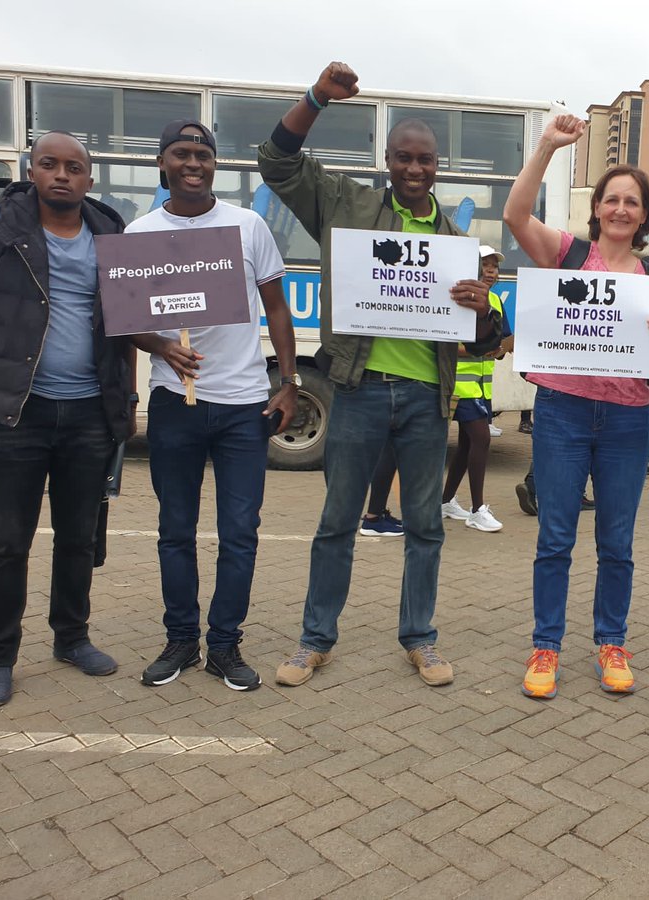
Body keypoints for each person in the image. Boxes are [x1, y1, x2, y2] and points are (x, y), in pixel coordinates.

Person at [259, 62, 502, 688]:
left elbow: (483, 345)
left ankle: (420, 639)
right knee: (338, 521)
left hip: (426, 399)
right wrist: (316, 98)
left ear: (437, 165)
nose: (414, 169)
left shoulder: (456, 241)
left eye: (425, 160)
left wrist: (480, 310)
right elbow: (278, 163)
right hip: (359, 390)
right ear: (388, 160)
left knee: (424, 526)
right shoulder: (348, 204)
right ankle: (315, 640)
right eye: (404, 158)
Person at [0, 125, 134, 708]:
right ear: (31, 170)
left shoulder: (112, 232)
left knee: (79, 538)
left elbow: (131, 316)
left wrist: (152, 365)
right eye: (49, 164)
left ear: (89, 178)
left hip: (90, 412)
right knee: (8, 543)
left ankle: (72, 637)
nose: (62, 174)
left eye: (74, 167)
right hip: (15, 413)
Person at [504, 114, 649, 700]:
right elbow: (515, 216)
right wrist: (548, 145)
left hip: (628, 418)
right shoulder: (567, 253)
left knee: (617, 541)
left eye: (633, 202)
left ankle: (611, 643)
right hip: (564, 412)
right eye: (612, 200)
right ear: (597, 208)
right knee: (555, 536)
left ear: (645, 216)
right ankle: (546, 646)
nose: (622, 209)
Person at [130, 120, 297, 692]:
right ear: (163, 163)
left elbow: (276, 308)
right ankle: (181, 639)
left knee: (240, 532)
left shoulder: (247, 227)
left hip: (243, 405)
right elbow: (125, 321)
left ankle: (225, 644)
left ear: (215, 164)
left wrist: (290, 381)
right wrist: (161, 345)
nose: (193, 162)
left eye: (203, 154)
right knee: (175, 528)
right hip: (175, 401)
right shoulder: (141, 232)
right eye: (182, 153)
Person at [441, 245, 507, 533]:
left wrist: (499, 349)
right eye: (485, 265)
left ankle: (445, 502)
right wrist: (477, 351)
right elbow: (445, 343)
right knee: (480, 439)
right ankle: (478, 509)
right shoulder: (458, 297)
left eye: (494, 266)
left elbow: (503, 340)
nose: (490, 271)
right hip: (460, 385)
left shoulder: (494, 300)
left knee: (468, 444)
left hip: (482, 387)